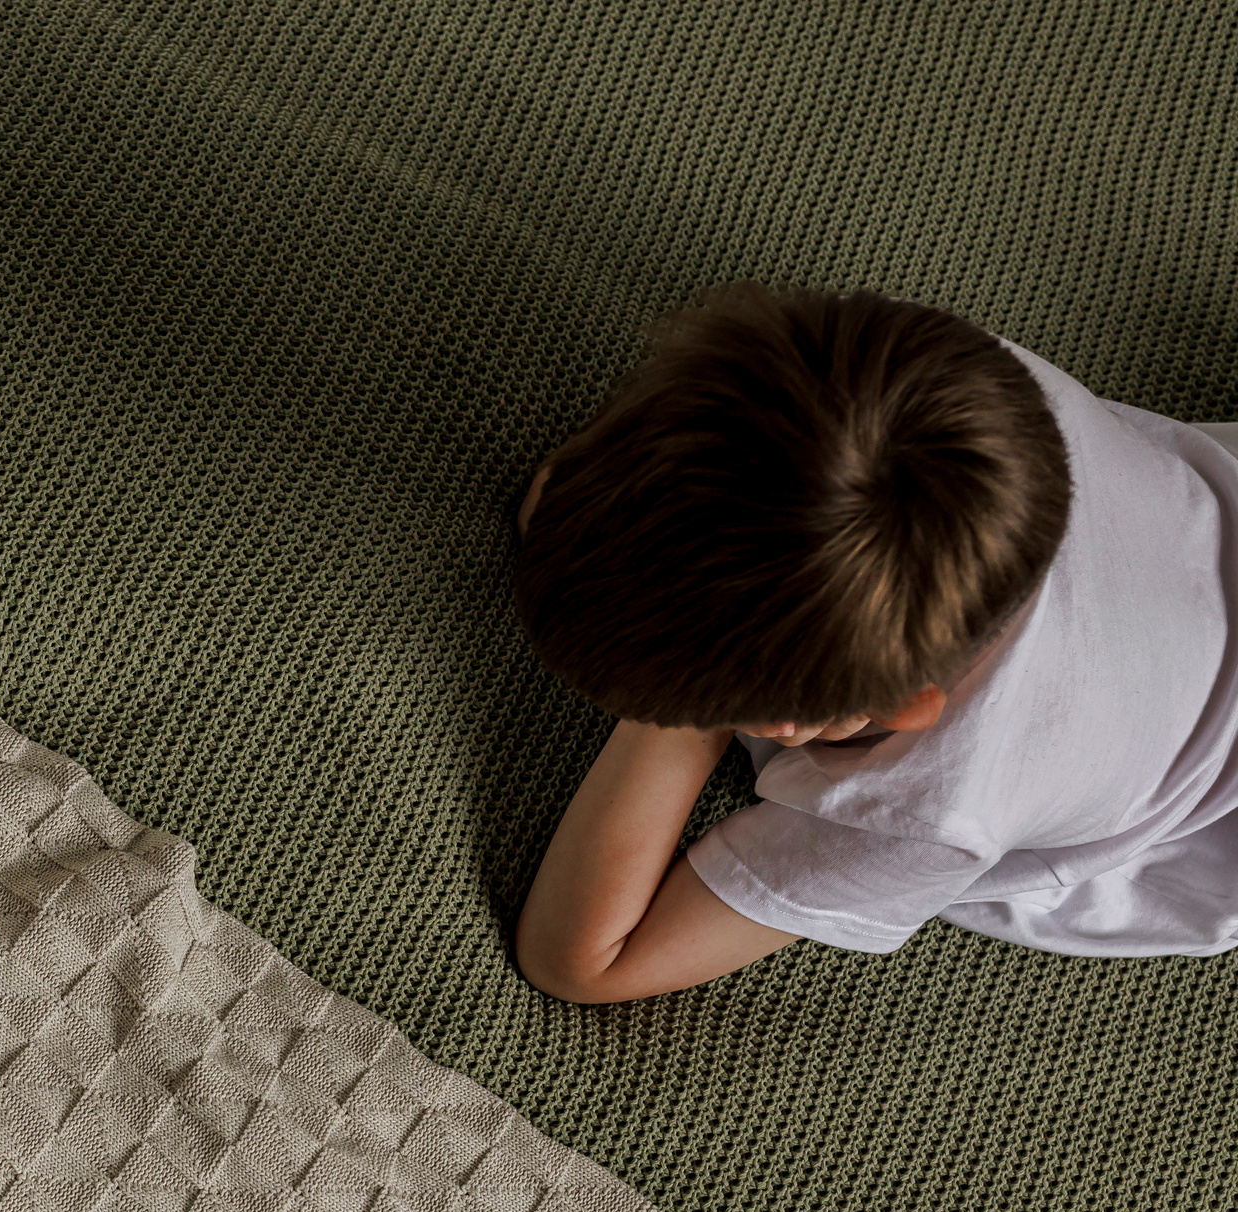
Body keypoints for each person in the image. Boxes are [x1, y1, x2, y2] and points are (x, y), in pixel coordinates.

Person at [511, 283, 1238, 1003]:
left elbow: (583, 964)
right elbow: (557, 495)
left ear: (903, 705)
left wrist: (684, 713)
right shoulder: (935, 384)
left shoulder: (933, 806)